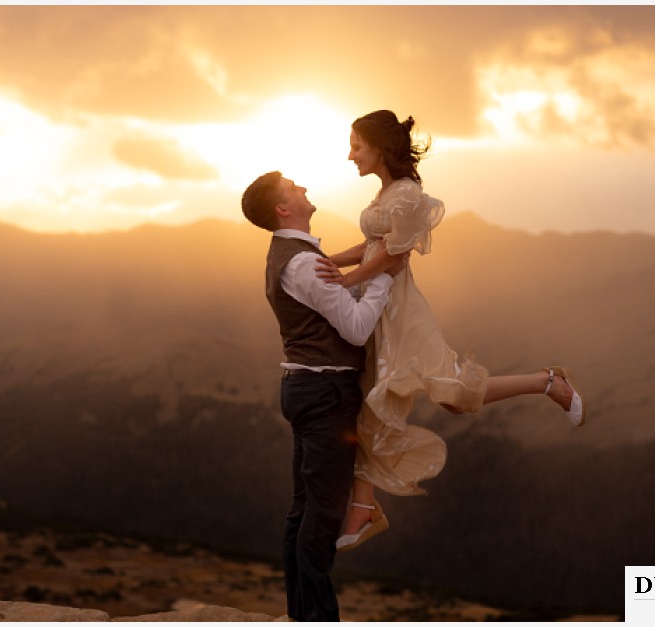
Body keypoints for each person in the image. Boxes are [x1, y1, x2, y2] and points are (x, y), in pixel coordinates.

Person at [314, 110, 586, 552]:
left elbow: (397, 256)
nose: (350, 156)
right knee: (366, 406)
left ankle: (547, 381)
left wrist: (348, 279)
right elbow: (373, 247)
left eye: (356, 146)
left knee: (453, 396)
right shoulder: (386, 193)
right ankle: (364, 510)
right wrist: (336, 263)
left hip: (400, 313)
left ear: (379, 147)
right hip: (377, 307)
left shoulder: (405, 196)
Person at [241, 171, 408, 622]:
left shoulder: (297, 255)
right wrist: (383, 281)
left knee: (304, 507)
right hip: (325, 391)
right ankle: (316, 617)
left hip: (309, 387)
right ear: (282, 209)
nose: (303, 190)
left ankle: (303, 614)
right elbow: (354, 326)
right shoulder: (299, 261)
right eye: (294, 188)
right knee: (323, 509)